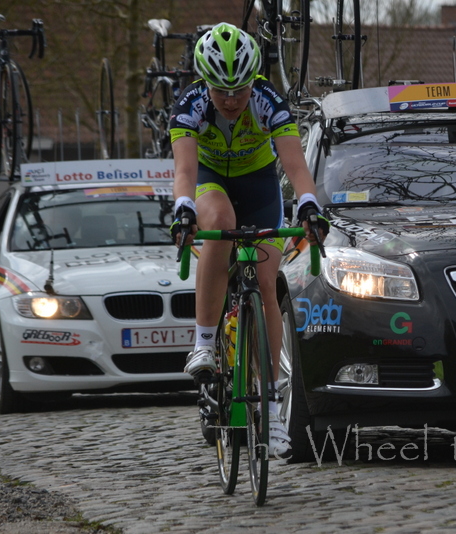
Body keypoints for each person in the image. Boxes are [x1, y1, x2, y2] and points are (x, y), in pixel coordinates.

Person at [169, 22, 328, 457]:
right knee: (218, 218)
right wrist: (184, 208)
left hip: (259, 185)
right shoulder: (190, 104)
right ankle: (203, 345)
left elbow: (295, 165)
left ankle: (274, 403)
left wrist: (309, 204)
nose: (232, 100)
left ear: (252, 80)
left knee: (264, 281)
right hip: (210, 180)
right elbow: (184, 171)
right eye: (222, 91)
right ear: (206, 83)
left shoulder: (268, 99)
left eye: (239, 89)